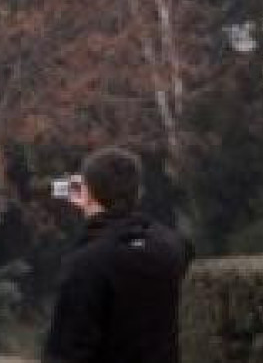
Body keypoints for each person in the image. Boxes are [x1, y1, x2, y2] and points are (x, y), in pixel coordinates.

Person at [42, 147, 192, 363]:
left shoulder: (86, 263)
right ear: (138, 192)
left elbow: (68, 349)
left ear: (86, 192)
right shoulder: (174, 247)